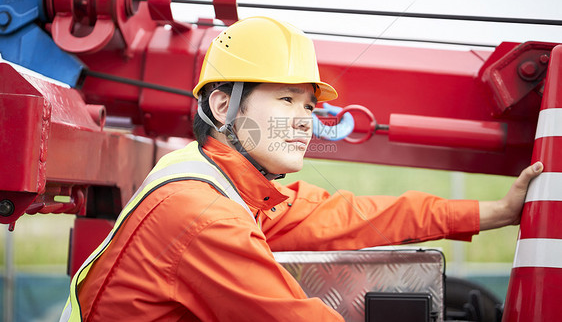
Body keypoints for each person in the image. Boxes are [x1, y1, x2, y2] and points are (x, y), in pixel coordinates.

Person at [60, 16, 542, 321]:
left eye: (309, 106)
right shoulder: (204, 213)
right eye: (286, 99)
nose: (303, 121)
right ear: (222, 104)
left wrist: (496, 211)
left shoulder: (222, 183)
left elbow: (359, 215)